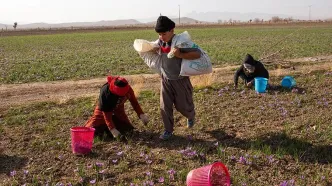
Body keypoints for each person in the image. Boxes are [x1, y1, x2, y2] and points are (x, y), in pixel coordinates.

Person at [154, 16, 202, 140]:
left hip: (180, 80)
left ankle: (190, 115)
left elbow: (197, 53)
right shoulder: (160, 42)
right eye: (159, 34)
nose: (161, 36)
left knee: (182, 106)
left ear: (172, 30)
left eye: (164, 33)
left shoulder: (181, 42)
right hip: (165, 79)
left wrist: (180, 54)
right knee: (164, 106)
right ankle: (168, 130)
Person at [84, 76, 149, 138]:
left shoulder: (128, 88)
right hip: (102, 112)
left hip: (118, 110)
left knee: (127, 130)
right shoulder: (105, 93)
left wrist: (141, 114)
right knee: (91, 131)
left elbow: (134, 102)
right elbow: (106, 115)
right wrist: (112, 129)